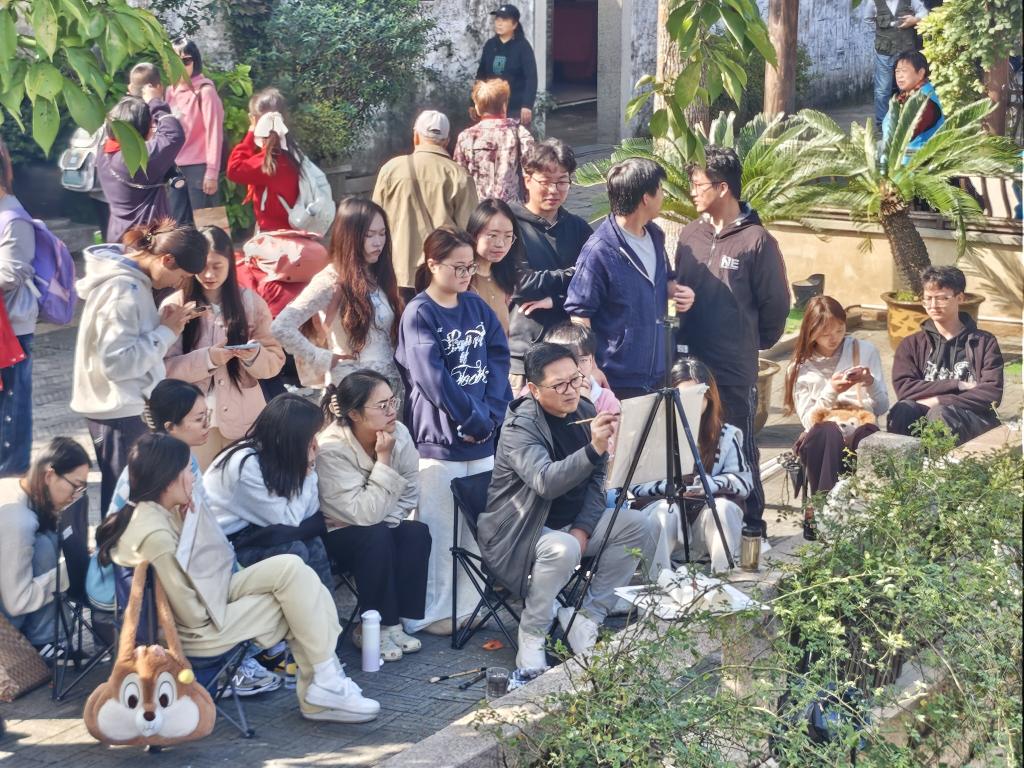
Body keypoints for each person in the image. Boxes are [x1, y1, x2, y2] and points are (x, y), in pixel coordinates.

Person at [97, 432, 380, 723]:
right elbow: (193, 617)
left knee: (293, 568)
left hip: (211, 592)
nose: (193, 477)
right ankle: (323, 687)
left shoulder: (157, 511)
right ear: (169, 479)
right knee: (299, 603)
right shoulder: (155, 534)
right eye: (187, 471)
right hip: (199, 631)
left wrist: (191, 520)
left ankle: (325, 682)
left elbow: (216, 560)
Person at [478, 343, 656, 669]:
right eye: (559, 385)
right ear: (534, 389)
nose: (571, 390)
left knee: (637, 525)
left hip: (571, 523)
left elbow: (597, 480)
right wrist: (594, 448)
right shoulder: (520, 427)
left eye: (575, 379)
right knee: (563, 547)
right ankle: (532, 634)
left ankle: (587, 618)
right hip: (521, 531)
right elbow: (545, 482)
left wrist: (583, 528)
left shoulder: (585, 409)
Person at [394, 227, 511, 634]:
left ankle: (469, 604)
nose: (466, 275)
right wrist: (472, 418)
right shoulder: (419, 312)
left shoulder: (476, 305)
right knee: (440, 530)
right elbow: (431, 378)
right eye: (458, 267)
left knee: (478, 529)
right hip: (439, 440)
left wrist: (491, 415)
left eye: (470, 267)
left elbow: (499, 359)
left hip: (482, 437)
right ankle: (433, 612)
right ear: (432, 264)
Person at [673, 146, 790, 535]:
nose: (692, 191)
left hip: (733, 367)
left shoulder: (757, 241)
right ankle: (693, 526)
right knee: (688, 441)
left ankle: (752, 527)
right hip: (688, 364)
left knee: (738, 443)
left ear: (722, 187)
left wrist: (747, 341)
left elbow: (776, 306)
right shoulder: (690, 234)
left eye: (698, 184)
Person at [71, 219, 208, 515]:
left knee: (133, 498)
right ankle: (123, 547)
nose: (178, 284)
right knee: (126, 504)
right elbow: (117, 362)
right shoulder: (124, 289)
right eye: (181, 276)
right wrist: (166, 333)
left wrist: (162, 326)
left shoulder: (131, 282)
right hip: (119, 412)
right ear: (166, 259)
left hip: (123, 409)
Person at [317, 371, 431, 662]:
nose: (392, 410)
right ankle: (371, 627)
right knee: (375, 535)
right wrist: (384, 460)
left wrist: (383, 517)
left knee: (415, 532)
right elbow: (362, 513)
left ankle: (395, 624)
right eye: (382, 406)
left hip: (376, 525)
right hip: (335, 536)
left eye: (393, 401)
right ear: (354, 413)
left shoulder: (399, 432)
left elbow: (410, 491)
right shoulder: (332, 449)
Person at [163, 226, 284, 469]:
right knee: (199, 484)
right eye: (203, 266)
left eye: (217, 266)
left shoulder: (251, 303)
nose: (209, 274)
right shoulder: (175, 306)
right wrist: (208, 359)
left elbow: (274, 361)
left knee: (243, 481)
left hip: (244, 419)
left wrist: (254, 356)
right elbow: (163, 368)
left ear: (230, 262)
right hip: (192, 422)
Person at [625, 358, 752, 575]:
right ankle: (657, 581)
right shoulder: (651, 435)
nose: (691, 403)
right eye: (683, 396)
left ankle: (723, 578)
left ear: (710, 397)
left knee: (723, 508)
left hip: (704, 519)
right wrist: (670, 488)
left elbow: (744, 481)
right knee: (665, 511)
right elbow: (633, 486)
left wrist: (710, 484)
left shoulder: (725, 435)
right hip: (666, 521)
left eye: (699, 395)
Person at [272, 198, 404, 400]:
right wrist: (322, 358)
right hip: (355, 391)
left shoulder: (379, 272)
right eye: (369, 235)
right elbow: (281, 326)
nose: (378, 242)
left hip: (392, 387)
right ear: (349, 237)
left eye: (382, 233)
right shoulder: (330, 279)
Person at [565, 157, 670, 398]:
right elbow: (580, 313)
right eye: (660, 189)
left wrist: (675, 294)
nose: (664, 196)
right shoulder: (599, 250)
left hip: (659, 373)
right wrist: (590, 366)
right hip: (617, 379)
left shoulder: (655, 236)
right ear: (646, 198)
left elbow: (666, 282)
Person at [204, 394, 333, 588]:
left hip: (259, 529)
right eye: (310, 437)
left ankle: (326, 608)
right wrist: (307, 472)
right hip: (225, 545)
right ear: (291, 437)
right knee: (293, 551)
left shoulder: (278, 452)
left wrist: (309, 466)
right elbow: (288, 521)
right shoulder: (244, 465)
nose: (315, 443)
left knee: (314, 543)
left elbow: (309, 511)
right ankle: (303, 607)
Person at [507, 139, 593, 390]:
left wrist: (555, 300)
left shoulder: (578, 228)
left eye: (562, 181)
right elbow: (521, 283)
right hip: (524, 354)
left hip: (571, 357)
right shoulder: (509, 224)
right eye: (545, 181)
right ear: (527, 179)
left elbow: (594, 281)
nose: (554, 190)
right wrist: (571, 274)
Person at [783, 297, 888, 495]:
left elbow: (882, 407)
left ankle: (870, 502)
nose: (834, 338)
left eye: (839, 330)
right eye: (825, 334)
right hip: (824, 440)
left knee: (867, 433)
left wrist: (869, 382)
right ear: (810, 332)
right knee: (827, 431)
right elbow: (809, 422)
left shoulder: (865, 350)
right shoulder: (799, 369)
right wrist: (831, 391)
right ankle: (826, 503)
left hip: (859, 429)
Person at [888, 266, 1003, 444]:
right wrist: (956, 384)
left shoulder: (983, 342)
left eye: (942, 298)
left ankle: (942, 463)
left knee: (940, 413)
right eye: (928, 298)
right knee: (903, 410)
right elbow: (905, 389)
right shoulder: (911, 344)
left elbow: (991, 393)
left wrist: (939, 400)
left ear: (960, 298)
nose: (933, 305)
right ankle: (899, 461)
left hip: (970, 418)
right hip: (923, 414)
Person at [0, 438, 90, 656]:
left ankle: (49, 640)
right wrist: (68, 571)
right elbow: (16, 602)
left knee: (46, 541)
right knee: (44, 547)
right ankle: (45, 643)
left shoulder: (25, 492)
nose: (76, 494)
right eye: (75, 485)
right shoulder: (17, 518)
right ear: (49, 476)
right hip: (8, 629)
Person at [372, 111, 479, 293]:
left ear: (415, 136)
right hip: (440, 276)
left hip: (394, 273)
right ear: (446, 141)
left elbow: (373, 222)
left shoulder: (390, 170)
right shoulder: (459, 176)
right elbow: (469, 232)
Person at [97, 88, 186, 244]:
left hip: (119, 235)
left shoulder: (104, 151)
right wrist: (155, 102)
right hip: (146, 241)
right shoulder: (136, 160)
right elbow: (173, 135)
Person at [0, 137, 37, 477]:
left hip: (13, 327)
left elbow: (12, 273)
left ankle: (13, 472)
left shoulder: (13, 217)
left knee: (13, 404)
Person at [226, 88, 301, 233]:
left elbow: (234, 169)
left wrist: (250, 134)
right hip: (298, 228)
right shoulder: (294, 154)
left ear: (254, 120)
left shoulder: (267, 162)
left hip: (273, 234)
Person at [166, 39, 225, 213]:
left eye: (186, 61)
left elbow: (214, 134)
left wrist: (212, 172)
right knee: (177, 225)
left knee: (207, 225)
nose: (180, 67)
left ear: (195, 61)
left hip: (200, 170)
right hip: (174, 170)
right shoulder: (170, 92)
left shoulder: (205, 91)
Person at [455, 79, 534, 203]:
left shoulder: (465, 137)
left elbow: (459, 177)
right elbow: (532, 170)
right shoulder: (519, 133)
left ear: (477, 108)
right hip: (510, 207)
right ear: (504, 105)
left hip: (477, 207)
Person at [864, 0, 930, 131]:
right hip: (884, 52)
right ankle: (882, 125)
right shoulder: (873, 2)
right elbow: (868, 19)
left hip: (906, 51)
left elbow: (924, 13)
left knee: (908, 86)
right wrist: (882, 33)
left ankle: (907, 121)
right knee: (882, 90)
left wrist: (915, 20)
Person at [466, 197, 522, 334]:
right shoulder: (461, 278)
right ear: (474, 234)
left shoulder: (505, 277)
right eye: (492, 235)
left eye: (508, 236)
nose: (500, 244)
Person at [476, 4, 538, 128]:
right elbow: (481, 75)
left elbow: (531, 78)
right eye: (497, 19)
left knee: (514, 138)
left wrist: (527, 105)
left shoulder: (523, 47)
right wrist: (474, 102)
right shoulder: (490, 45)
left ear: (514, 25)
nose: (499, 23)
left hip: (514, 108)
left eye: (504, 20)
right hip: (490, 107)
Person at [881, 50, 944, 156]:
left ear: (920, 73)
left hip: (920, 156)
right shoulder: (908, 94)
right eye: (897, 71)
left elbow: (904, 136)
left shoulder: (925, 102)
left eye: (904, 71)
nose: (899, 76)